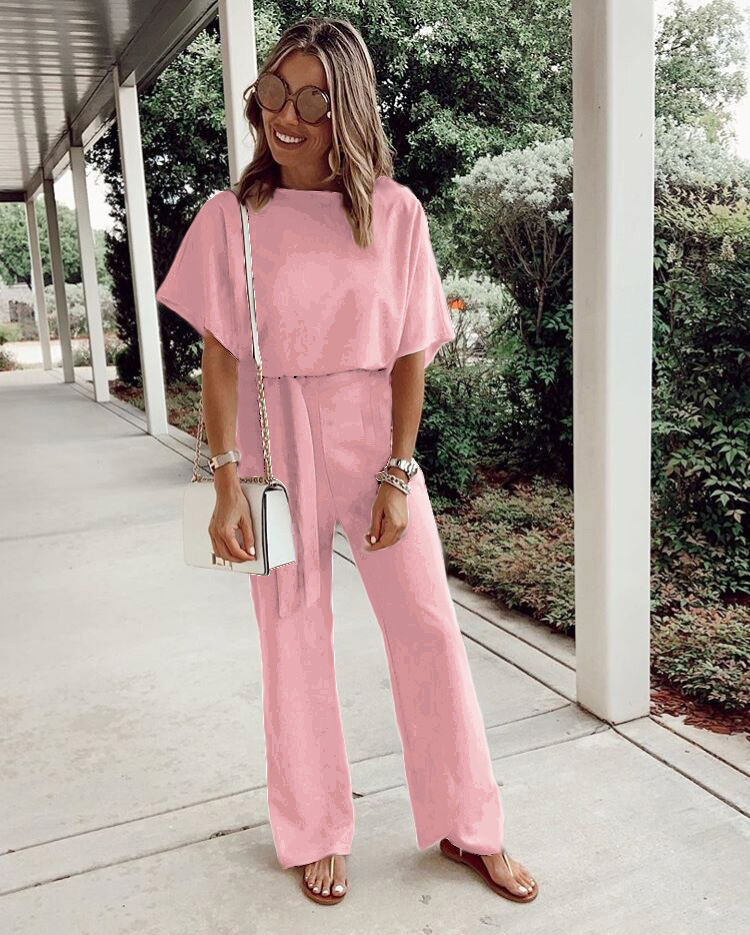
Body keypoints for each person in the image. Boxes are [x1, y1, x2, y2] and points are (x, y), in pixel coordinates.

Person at [155, 15, 538, 907]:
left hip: (372, 437)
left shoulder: (396, 212)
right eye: (274, 93)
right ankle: (316, 829)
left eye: (313, 101)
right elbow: (221, 357)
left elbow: (410, 353)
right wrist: (224, 479)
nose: (286, 117)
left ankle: (468, 821)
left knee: (429, 627)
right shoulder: (230, 217)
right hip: (274, 437)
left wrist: (399, 471)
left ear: (350, 111)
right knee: (292, 636)